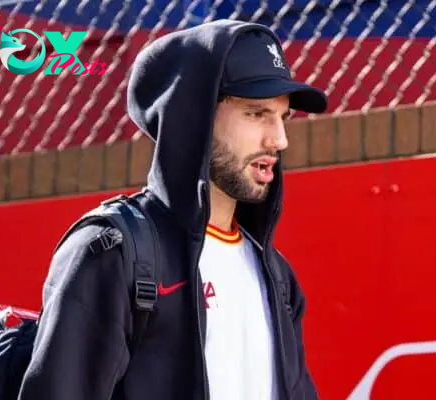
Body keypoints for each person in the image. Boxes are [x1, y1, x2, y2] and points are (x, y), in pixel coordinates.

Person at [17, 19, 327, 400]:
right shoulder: (110, 253)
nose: (278, 139)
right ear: (191, 119)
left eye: (283, 117)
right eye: (256, 113)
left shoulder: (276, 275)